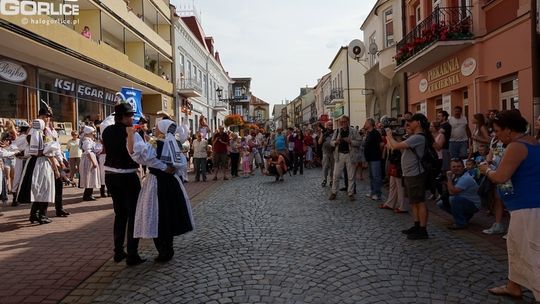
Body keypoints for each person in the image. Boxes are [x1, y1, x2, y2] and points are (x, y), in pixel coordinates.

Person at [478, 110, 540, 301]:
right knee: (515, 245)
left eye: (497, 130)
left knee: (530, 251)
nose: (495, 135)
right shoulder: (533, 142)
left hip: (528, 207)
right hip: (528, 204)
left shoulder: (516, 146)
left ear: (509, 130)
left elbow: (500, 176)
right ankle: (514, 286)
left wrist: (485, 169)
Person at [129, 119, 194, 263]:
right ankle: (168, 248)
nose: (155, 128)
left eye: (157, 126)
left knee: (155, 215)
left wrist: (134, 139)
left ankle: (163, 250)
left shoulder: (154, 143)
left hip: (156, 183)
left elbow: (145, 159)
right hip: (172, 183)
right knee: (168, 215)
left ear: (161, 129)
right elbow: (181, 164)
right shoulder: (175, 144)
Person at [102, 103, 145, 266]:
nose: (132, 118)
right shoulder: (131, 132)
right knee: (134, 214)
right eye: (130, 116)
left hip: (110, 175)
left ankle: (118, 251)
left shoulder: (106, 131)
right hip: (127, 176)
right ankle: (132, 254)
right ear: (124, 117)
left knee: (120, 214)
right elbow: (137, 153)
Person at [385, 113, 432, 240]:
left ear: (418, 123)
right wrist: (390, 138)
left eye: (411, 122)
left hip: (416, 173)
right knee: (413, 201)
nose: (408, 124)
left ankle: (423, 229)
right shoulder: (413, 137)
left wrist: (389, 135)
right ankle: (416, 225)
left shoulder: (418, 137)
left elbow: (395, 146)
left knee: (419, 201)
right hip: (409, 173)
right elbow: (393, 147)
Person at [16, 119, 59, 224]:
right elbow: (49, 154)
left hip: (32, 163)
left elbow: (24, 150)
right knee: (45, 189)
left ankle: (33, 214)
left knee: (37, 190)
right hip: (42, 164)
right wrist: (56, 169)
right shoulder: (43, 137)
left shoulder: (29, 136)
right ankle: (42, 215)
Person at [437, 159, 480, 229]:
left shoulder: (465, 178)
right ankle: (465, 216)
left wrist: (449, 179)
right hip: (463, 201)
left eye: (458, 166)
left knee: (453, 199)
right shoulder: (456, 176)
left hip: (473, 204)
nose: (456, 168)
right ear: (450, 168)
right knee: (441, 203)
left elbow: (452, 192)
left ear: (463, 167)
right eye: (454, 167)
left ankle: (460, 223)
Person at [329, 115, 361, 202]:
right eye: (341, 122)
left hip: (350, 155)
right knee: (336, 175)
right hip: (339, 155)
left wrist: (350, 141)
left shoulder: (354, 131)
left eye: (344, 122)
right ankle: (334, 192)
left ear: (348, 122)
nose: (342, 123)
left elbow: (359, 142)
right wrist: (336, 142)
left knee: (351, 175)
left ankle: (350, 193)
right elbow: (331, 142)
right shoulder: (337, 131)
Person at [363, 118, 383, 200]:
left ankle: (377, 193)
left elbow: (381, 144)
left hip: (375, 158)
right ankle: (372, 191)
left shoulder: (375, 133)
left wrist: (379, 153)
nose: (365, 124)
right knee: (371, 176)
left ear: (370, 124)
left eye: (366, 122)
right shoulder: (368, 133)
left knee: (376, 176)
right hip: (369, 158)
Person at [79, 126, 100, 201]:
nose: (93, 134)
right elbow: (88, 152)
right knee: (89, 176)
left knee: (91, 176)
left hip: (91, 157)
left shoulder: (90, 140)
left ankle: (89, 194)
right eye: (92, 133)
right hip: (88, 159)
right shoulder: (86, 141)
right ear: (88, 133)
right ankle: (87, 195)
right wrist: (93, 162)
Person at [318, 121, 334, 187]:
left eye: (331, 125)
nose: (331, 126)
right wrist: (322, 134)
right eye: (329, 125)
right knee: (325, 166)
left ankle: (331, 180)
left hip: (333, 151)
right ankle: (324, 179)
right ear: (326, 126)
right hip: (325, 151)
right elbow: (319, 142)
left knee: (333, 167)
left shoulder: (334, 132)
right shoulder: (323, 132)